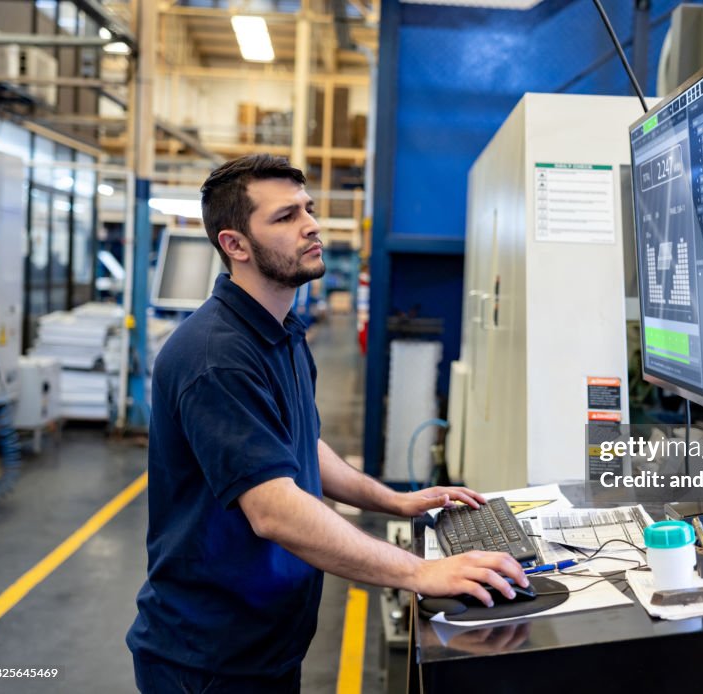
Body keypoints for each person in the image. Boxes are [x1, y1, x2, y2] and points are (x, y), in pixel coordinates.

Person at [126, 154, 526, 693]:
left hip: (266, 643)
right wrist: (419, 572)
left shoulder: (282, 332)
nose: (312, 224)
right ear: (235, 245)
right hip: (208, 661)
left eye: (308, 209)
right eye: (285, 216)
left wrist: (395, 501)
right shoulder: (216, 358)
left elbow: (300, 446)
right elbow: (273, 511)